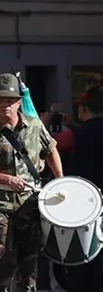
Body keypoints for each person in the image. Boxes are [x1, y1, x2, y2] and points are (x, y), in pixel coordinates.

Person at [0, 73, 64, 291]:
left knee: (29, 261)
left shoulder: (34, 126)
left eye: (10, 101)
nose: (5, 106)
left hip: (30, 203)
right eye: (0, 100)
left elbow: (51, 151)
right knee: (2, 259)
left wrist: (60, 180)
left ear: (19, 102)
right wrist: (6, 179)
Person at [62, 85, 103, 291]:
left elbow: (51, 146)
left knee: (85, 256)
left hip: (85, 204)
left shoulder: (76, 136)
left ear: (83, 109)